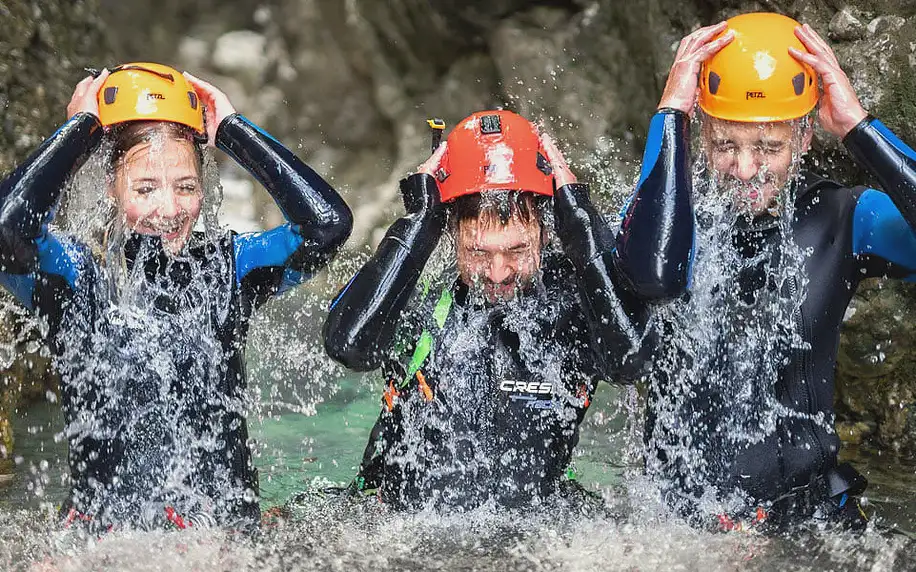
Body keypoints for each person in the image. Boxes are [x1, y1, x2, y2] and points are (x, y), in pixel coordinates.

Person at [0, 63, 352, 530]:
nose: (169, 210)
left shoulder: (229, 268)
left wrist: (232, 130)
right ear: (111, 183)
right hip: (109, 543)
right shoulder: (75, 277)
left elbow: (326, 227)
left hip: (224, 541)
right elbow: (7, 230)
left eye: (186, 187)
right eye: (145, 188)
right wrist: (79, 132)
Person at [322, 110, 692, 509]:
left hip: (529, 529)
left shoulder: (577, 301)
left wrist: (582, 225)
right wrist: (420, 224)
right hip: (401, 522)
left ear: (546, 230)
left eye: (516, 250)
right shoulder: (418, 295)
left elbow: (632, 359)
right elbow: (348, 344)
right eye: (478, 252)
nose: (497, 273)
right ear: (449, 232)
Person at [639, 12, 916, 529]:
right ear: (701, 132)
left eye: (768, 147)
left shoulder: (846, 218)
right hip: (684, 531)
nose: (745, 170)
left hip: (808, 522)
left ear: (805, 135)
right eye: (726, 145)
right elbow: (650, 276)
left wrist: (858, 127)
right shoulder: (670, 221)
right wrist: (669, 114)